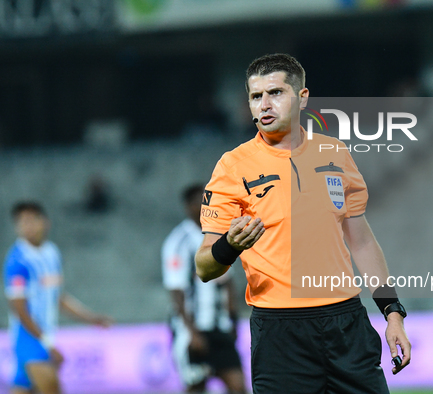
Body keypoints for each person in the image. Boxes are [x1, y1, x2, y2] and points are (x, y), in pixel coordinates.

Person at [195, 53, 411, 393]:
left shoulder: (335, 153)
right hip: (280, 334)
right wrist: (229, 246)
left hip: (346, 324)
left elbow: (362, 242)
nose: (264, 104)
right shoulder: (232, 167)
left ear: (303, 97)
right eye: (255, 96)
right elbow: (204, 267)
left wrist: (392, 312)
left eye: (276, 93)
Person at [3, 202, 112, 394]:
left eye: (31, 220)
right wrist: (47, 344)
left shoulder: (51, 252)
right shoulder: (17, 260)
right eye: (21, 222)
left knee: (22, 390)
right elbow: (19, 309)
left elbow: (57, 297)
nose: (27, 226)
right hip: (29, 339)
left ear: (44, 222)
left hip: (44, 335)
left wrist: (90, 318)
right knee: (53, 389)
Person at [162, 184, 245, 394]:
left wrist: (233, 319)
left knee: (238, 386)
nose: (205, 206)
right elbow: (176, 290)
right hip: (193, 330)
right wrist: (191, 331)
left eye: (207, 200)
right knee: (196, 386)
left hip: (218, 327)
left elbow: (228, 282)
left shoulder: (219, 234)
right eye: (199, 201)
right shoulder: (178, 242)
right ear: (188, 206)